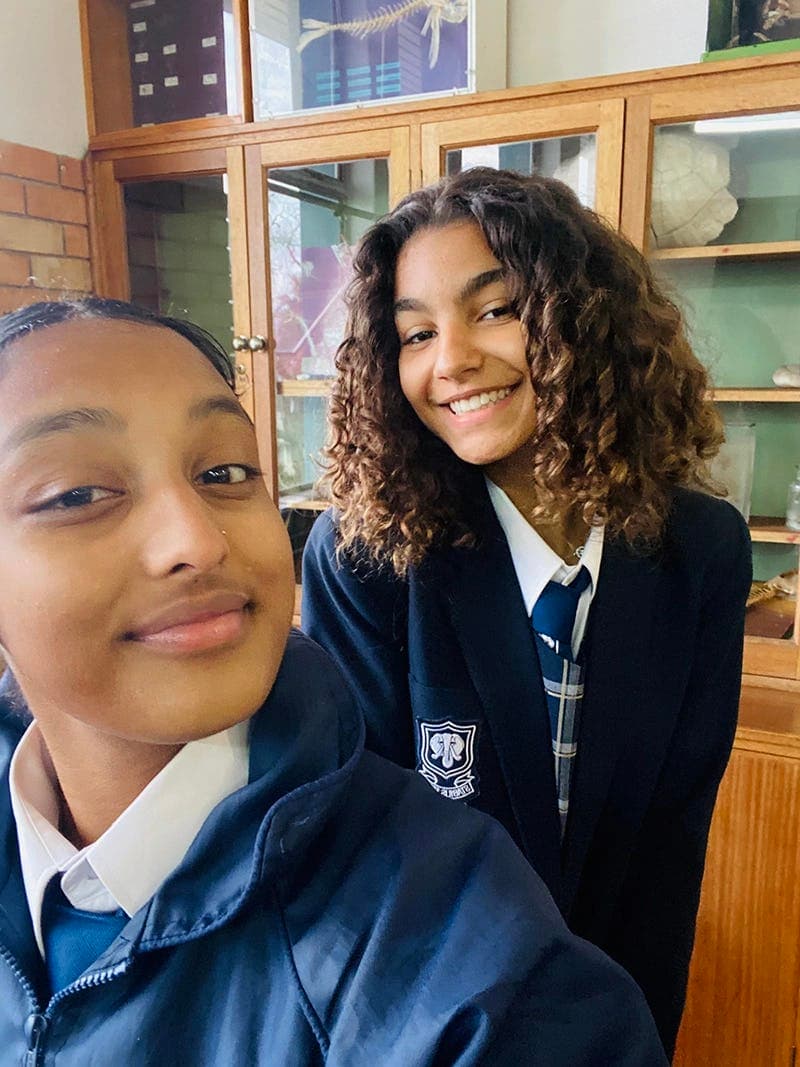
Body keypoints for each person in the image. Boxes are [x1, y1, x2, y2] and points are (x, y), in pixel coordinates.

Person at [0, 297, 667, 1066]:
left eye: (224, 471)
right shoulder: (362, 554)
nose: (196, 539)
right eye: (77, 494)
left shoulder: (472, 973)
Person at [301, 167, 752, 1057]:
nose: (452, 360)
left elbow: (670, 849)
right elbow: (362, 859)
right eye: (416, 333)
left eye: (496, 309)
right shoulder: (367, 559)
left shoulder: (700, 549)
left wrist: (633, 1040)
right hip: (427, 1025)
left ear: (585, 319)